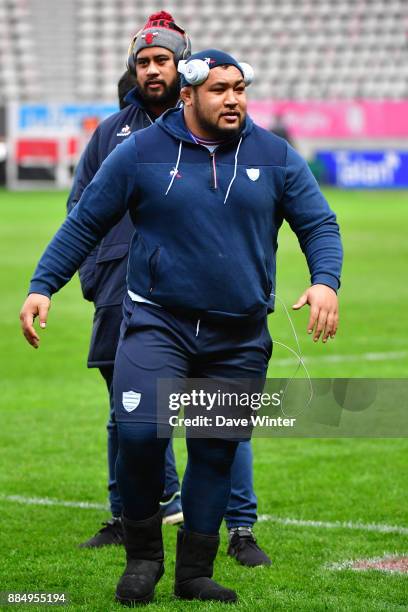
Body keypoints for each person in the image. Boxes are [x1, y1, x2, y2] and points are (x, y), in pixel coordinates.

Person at [20, 49, 342, 605]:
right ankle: (144, 557)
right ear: (188, 95)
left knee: (215, 450)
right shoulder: (141, 152)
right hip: (156, 323)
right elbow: (86, 220)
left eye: (240, 87)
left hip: (238, 336)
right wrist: (42, 284)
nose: (234, 99)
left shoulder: (274, 153)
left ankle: (194, 573)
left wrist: (326, 281)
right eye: (220, 89)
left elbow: (319, 223)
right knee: (141, 434)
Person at [65, 12, 270, 565]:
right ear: (132, 70)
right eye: (143, 62)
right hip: (120, 292)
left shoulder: (220, 133)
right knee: (126, 413)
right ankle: (129, 515)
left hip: (207, 298)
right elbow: (80, 210)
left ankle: (239, 527)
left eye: (162, 60)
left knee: (217, 414)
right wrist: (97, 273)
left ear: (186, 65)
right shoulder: (110, 133)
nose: (152, 70)